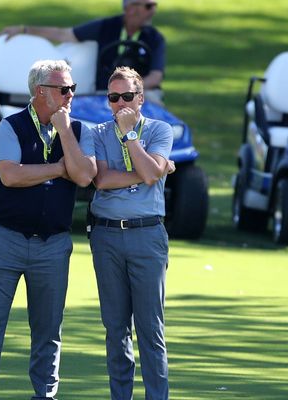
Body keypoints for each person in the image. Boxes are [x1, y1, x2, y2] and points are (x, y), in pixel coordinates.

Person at [0, 59, 97, 400]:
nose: (70, 95)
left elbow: (83, 176)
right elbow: (11, 175)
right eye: (63, 89)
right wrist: (56, 168)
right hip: (5, 238)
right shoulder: (10, 126)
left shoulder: (80, 131)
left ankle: (45, 395)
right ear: (41, 92)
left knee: (48, 329)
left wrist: (65, 131)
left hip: (53, 244)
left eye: (72, 89)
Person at [89, 66, 173, 400]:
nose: (119, 103)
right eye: (113, 97)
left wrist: (130, 137)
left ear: (141, 98)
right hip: (106, 235)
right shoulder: (96, 132)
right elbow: (102, 180)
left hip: (147, 234)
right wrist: (150, 169)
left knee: (150, 330)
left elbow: (152, 173)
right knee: (115, 328)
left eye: (126, 96)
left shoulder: (159, 129)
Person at [0, 0, 166, 102]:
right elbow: (64, 34)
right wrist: (24, 30)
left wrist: (127, 89)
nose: (153, 11)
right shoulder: (106, 26)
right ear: (131, 8)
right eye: (148, 6)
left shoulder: (155, 38)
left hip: (141, 93)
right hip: (105, 93)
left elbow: (155, 78)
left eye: (153, 6)